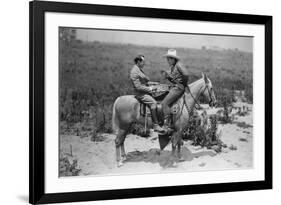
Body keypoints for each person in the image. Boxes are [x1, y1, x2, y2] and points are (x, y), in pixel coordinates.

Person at [130, 55, 165, 133]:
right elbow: (138, 87)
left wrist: (155, 84)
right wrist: (150, 89)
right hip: (141, 94)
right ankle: (156, 125)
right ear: (138, 62)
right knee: (153, 103)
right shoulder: (134, 72)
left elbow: (144, 82)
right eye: (143, 62)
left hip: (145, 91)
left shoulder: (139, 70)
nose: (144, 64)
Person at [161, 49, 189, 129]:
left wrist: (183, 84)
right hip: (176, 87)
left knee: (164, 103)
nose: (167, 60)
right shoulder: (174, 66)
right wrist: (168, 76)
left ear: (173, 59)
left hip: (178, 88)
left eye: (169, 59)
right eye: (167, 59)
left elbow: (186, 74)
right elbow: (174, 79)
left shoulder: (179, 65)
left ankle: (167, 123)